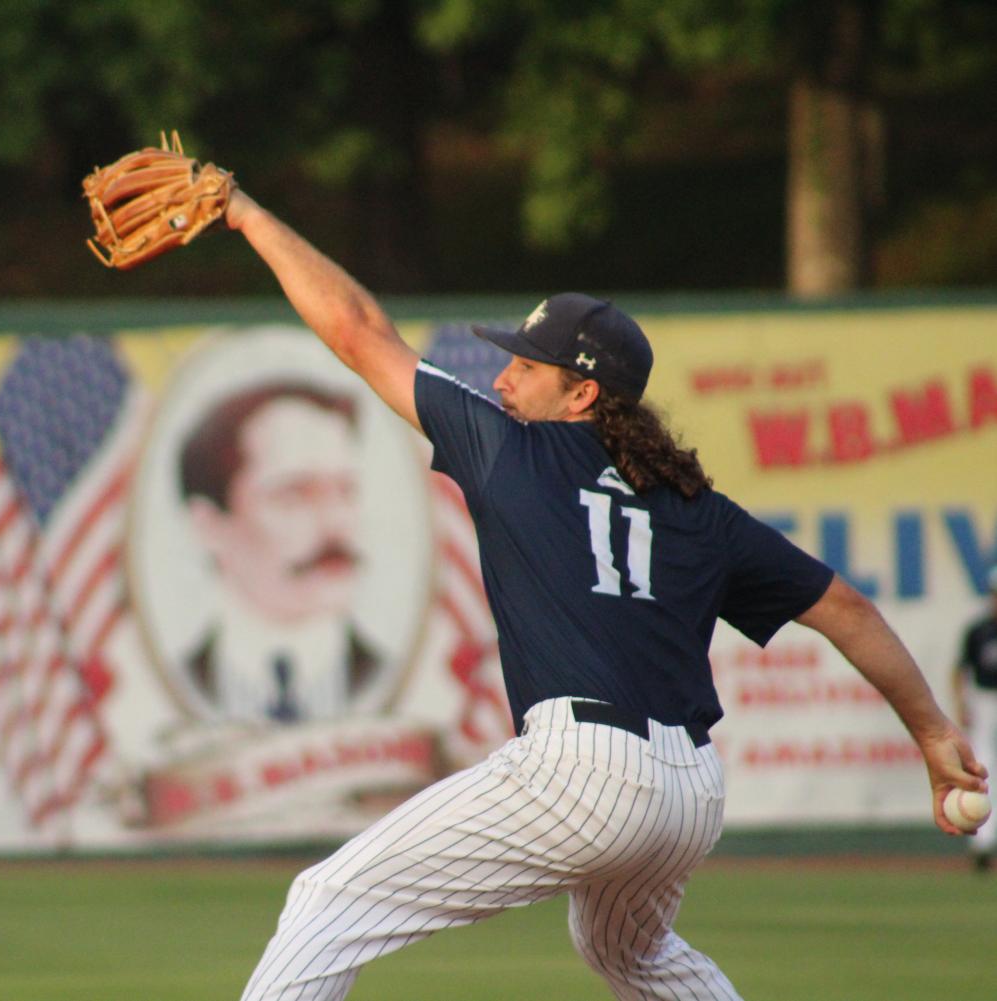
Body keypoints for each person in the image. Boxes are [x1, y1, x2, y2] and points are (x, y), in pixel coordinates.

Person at [214, 187, 989, 1001]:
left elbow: (356, 330)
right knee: (630, 956)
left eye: (524, 366)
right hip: (690, 793)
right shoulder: (699, 508)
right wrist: (932, 732)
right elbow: (849, 611)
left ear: (581, 394)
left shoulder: (510, 452)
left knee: (329, 901)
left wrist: (243, 213)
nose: (503, 380)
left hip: (580, 772)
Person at [178, 380, 381, 723]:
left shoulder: (378, 673)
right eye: (294, 496)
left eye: (345, 491)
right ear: (210, 525)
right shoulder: (185, 680)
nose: (334, 523)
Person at [953, 565, 997, 871]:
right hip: (985, 700)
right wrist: (961, 704)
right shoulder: (979, 630)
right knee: (984, 770)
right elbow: (960, 670)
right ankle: (983, 847)